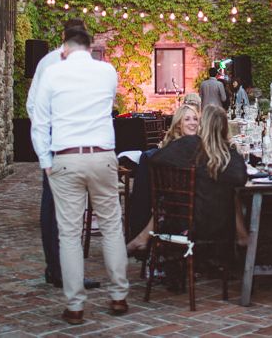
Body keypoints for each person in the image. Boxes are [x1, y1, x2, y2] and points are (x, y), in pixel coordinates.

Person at [31, 27, 129, 325]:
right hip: (102, 156)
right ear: (91, 47)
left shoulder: (52, 73)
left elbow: (39, 121)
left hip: (66, 157)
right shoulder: (107, 72)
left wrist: (46, 162)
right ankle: (118, 296)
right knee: (112, 227)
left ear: (65, 49)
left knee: (70, 234)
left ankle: (75, 306)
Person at [26, 18, 99, 291]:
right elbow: (34, 105)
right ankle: (61, 271)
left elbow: (33, 105)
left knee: (64, 208)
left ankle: (57, 269)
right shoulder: (51, 63)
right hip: (62, 144)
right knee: (61, 208)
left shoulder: (56, 63)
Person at [150, 105, 248, 245]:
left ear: (202, 126)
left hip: (189, 220)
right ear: (226, 128)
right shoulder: (228, 155)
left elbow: (155, 159)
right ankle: (242, 238)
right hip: (218, 227)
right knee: (234, 195)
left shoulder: (192, 150)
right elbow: (241, 179)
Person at [126, 103, 200, 253]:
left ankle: (142, 237)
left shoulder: (199, 147)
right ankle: (143, 237)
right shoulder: (172, 151)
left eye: (195, 119)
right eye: (187, 119)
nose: (192, 122)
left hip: (186, 204)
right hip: (180, 207)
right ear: (178, 124)